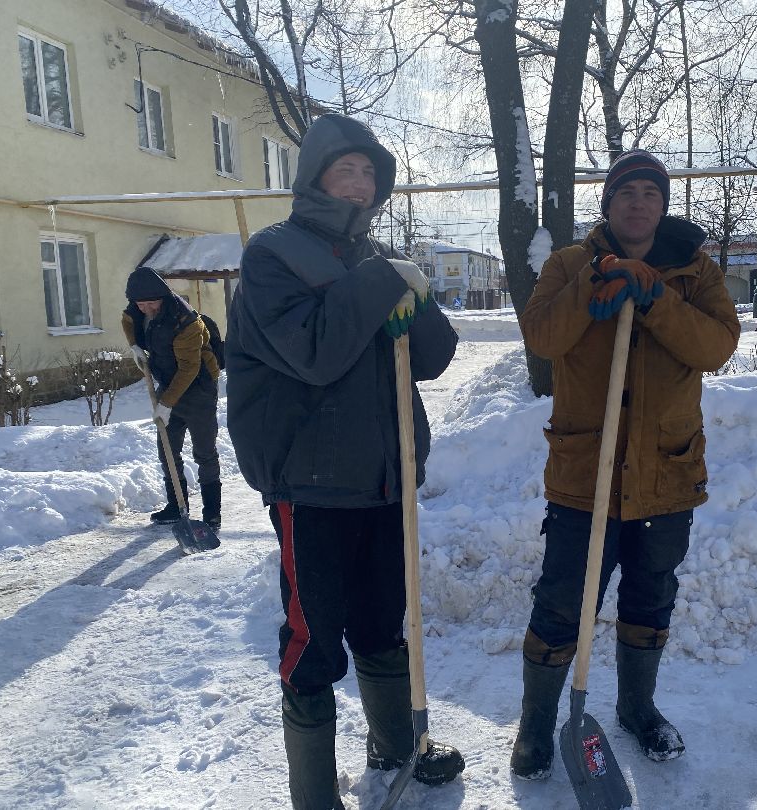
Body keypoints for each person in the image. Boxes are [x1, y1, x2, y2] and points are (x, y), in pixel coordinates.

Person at [224, 113, 464, 810]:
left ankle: (395, 747)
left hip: (383, 481)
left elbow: (435, 358)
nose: (359, 184)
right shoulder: (273, 256)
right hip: (312, 485)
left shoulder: (375, 258)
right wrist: (378, 284)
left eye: (370, 173)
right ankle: (313, 793)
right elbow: (316, 353)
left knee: (384, 621)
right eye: (345, 170)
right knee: (313, 638)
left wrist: (412, 302)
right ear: (315, 177)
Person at [512, 149, 741, 779]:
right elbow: (541, 337)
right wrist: (595, 284)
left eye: (650, 192)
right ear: (608, 204)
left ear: (662, 205)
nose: (639, 202)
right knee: (561, 600)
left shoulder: (697, 272)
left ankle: (637, 708)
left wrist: (656, 298)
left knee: (651, 595)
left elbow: (717, 346)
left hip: (665, 474)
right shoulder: (566, 264)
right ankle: (535, 727)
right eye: (626, 193)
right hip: (586, 474)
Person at [122, 268, 222, 529]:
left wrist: (166, 404)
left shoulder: (185, 321)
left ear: (163, 297)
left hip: (199, 387)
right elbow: (128, 320)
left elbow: (189, 368)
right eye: (141, 304)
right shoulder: (138, 310)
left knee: (205, 452)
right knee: (167, 449)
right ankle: (177, 507)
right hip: (169, 384)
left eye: (151, 303)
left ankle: (212, 512)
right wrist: (135, 346)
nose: (146, 309)